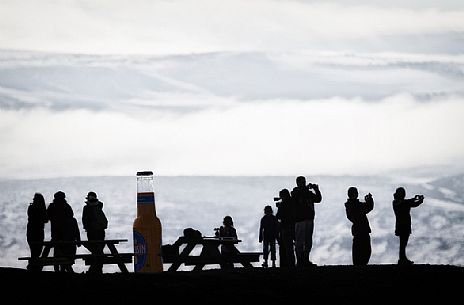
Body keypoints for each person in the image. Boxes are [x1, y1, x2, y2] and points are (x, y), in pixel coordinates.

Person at [291, 176, 322, 268]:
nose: (303, 184)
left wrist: (317, 190)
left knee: (308, 241)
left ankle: (305, 259)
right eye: (301, 182)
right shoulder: (295, 193)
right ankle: (300, 261)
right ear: (297, 183)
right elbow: (298, 197)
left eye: (304, 182)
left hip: (309, 219)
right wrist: (308, 189)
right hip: (300, 220)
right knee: (299, 241)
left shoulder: (308, 193)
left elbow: (318, 199)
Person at [392, 187, 424, 265]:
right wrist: (417, 200)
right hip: (403, 225)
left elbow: (411, 203)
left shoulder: (397, 202)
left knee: (403, 243)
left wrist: (417, 200)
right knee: (403, 243)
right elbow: (408, 203)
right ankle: (402, 259)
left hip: (404, 225)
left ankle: (402, 258)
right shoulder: (397, 202)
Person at [344, 187, 374, 265]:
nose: (357, 194)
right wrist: (369, 201)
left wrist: (369, 201)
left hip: (360, 231)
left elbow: (368, 207)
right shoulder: (353, 205)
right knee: (362, 252)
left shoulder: (352, 205)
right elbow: (367, 208)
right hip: (360, 231)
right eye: (356, 192)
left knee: (364, 251)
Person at [46, 191, 74, 272]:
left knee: (57, 253)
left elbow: (47, 218)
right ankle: (64, 269)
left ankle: (58, 270)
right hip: (65, 233)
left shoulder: (52, 206)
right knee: (63, 252)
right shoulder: (66, 206)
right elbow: (71, 216)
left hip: (55, 232)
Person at [82, 191, 108, 274]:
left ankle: (94, 270)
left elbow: (84, 220)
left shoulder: (87, 208)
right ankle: (98, 270)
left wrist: (86, 227)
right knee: (99, 250)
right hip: (100, 231)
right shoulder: (99, 206)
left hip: (92, 232)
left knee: (95, 251)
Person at [26, 193, 48, 271]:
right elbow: (45, 219)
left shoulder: (32, 208)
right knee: (36, 251)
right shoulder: (35, 208)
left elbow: (45, 219)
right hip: (36, 232)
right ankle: (33, 267)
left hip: (33, 231)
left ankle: (32, 267)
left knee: (35, 252)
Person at [275, 188, 296, 269]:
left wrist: (279, 206)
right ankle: (293, 264)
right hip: (293, 226)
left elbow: (278, 216)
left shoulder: (283, 205)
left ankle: (287, 265)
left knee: (286, 248)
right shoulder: (292, 203)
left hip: (285, 227)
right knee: (292, 248)